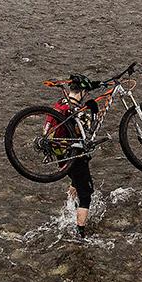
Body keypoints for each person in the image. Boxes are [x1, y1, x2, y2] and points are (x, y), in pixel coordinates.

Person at [49, 78, 97, 241]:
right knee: (86, 196)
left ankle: (69, 206)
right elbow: (87, 134)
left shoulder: (60, 103)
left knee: (76, 180)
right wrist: (94, 112)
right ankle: (80, 235)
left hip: (60, 155)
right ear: (82, 92)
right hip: (74, 156)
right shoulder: (77, 110)